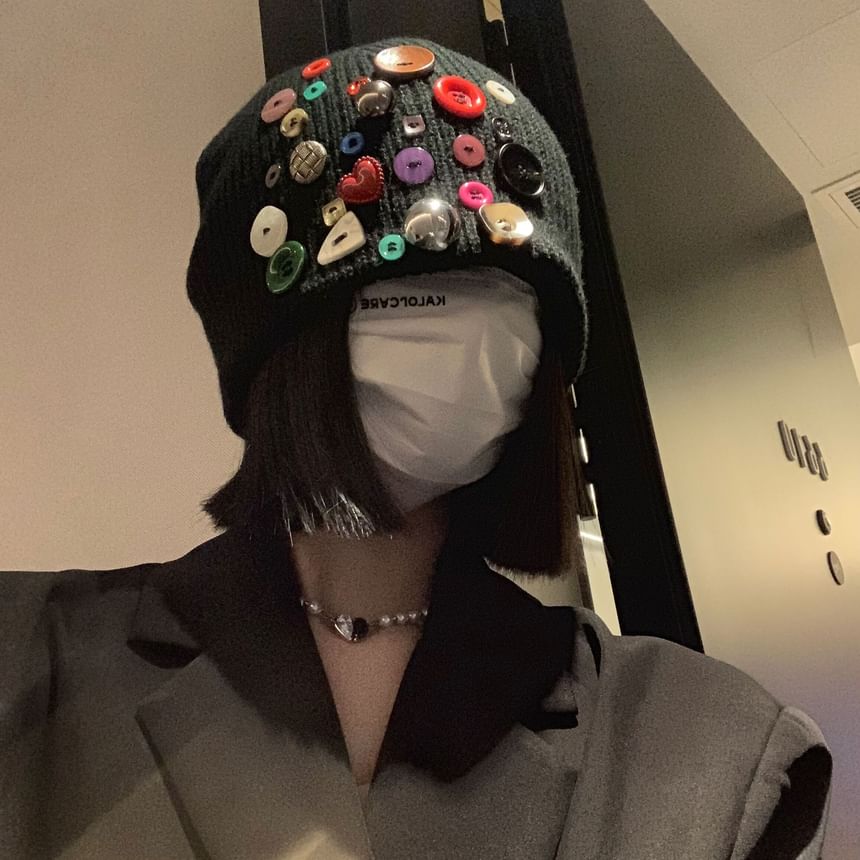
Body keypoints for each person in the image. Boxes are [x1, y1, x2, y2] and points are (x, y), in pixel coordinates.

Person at [0, 36, 832, 860]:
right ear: (277, 342)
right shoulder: (28, 658)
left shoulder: (720, 750)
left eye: (511, 293)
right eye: (413, 286)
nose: (470, 333)